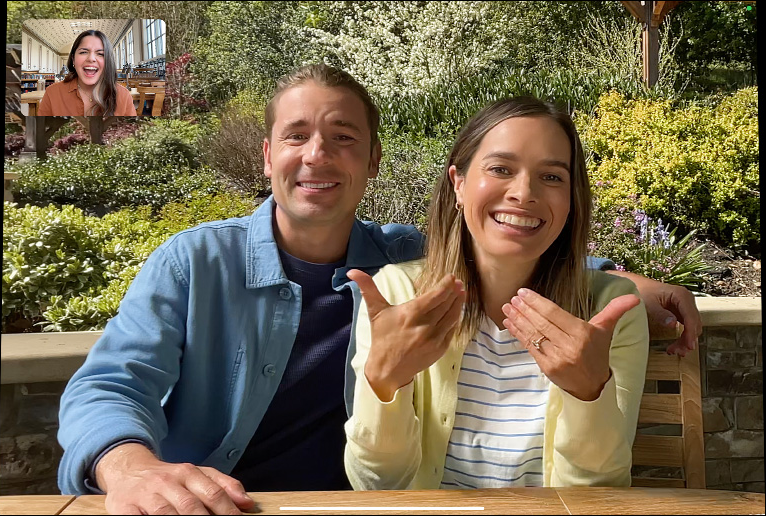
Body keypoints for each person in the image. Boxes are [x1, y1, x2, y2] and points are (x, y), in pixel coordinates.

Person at [57, 64, 701, 515]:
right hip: (213, 503)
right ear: (267, 155)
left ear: (373, 161)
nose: (317, 155)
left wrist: (627, 284)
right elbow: (109, 384)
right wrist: (133, 469)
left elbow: (501, 241)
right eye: (297, 136)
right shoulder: (196, 262)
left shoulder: (396, 263)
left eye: (343, 139)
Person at [344, 96, 649, 490]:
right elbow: (377, 485)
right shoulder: (398, 293)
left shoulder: (610, 311)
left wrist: (589, 395)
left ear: (572, 200)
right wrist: (385, 384)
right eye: (501, 169)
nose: (524, 192)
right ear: (458, 183)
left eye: (552, 177)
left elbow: (599, 493)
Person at [37, 30, 136, 117]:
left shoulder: (123, 96)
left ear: (108, 62)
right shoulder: (52, 93)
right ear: (73, 59)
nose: (91, 59)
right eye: (83, 52)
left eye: (100, 54)